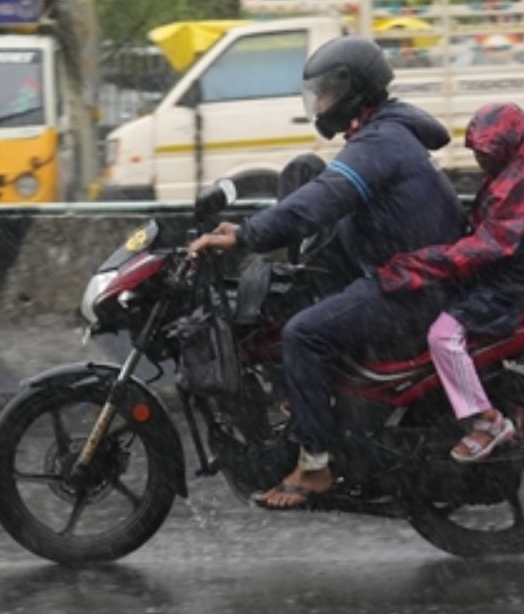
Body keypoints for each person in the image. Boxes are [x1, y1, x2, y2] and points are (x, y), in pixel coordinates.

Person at [188, 36, 464, 509]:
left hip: (411, 288)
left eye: (327, 93)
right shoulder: (385, 132)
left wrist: (245, 236)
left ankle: (314, 465)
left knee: (304, 334)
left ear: (354, 90)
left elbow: (323, 200)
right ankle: (308, 400)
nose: (320, 103)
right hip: (403, 270)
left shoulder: (381, 142)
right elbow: (319, 192)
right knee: (303, 186)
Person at [376, 102, 524, 462]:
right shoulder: (517, 172)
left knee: (443, 336)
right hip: (516, 272)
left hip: (517, 284)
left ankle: (487, 422)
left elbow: (485, 248)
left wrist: (416, 266)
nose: (481, 160)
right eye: (478, 152)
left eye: (488, 152)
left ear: (507, 147)